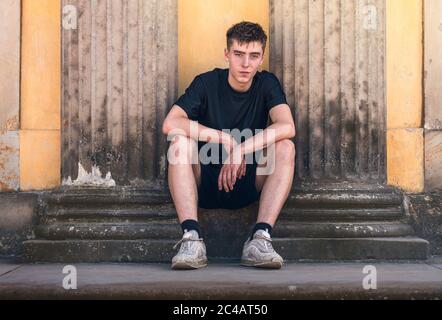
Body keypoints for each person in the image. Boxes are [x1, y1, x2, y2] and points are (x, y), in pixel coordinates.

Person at [162, 21, 296, 270]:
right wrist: (225, 139)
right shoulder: (206, 83)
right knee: (179, 141)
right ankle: (191, 239)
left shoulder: (266, 84)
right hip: (204, 180)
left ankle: (260, 238)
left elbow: (287, 126)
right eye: (239, 55)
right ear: (227, 54)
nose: (246, 64)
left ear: (261, 58)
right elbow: (171, 123)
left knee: (286, 146)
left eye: (254, 56)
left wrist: (241, 149)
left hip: (249, 179)